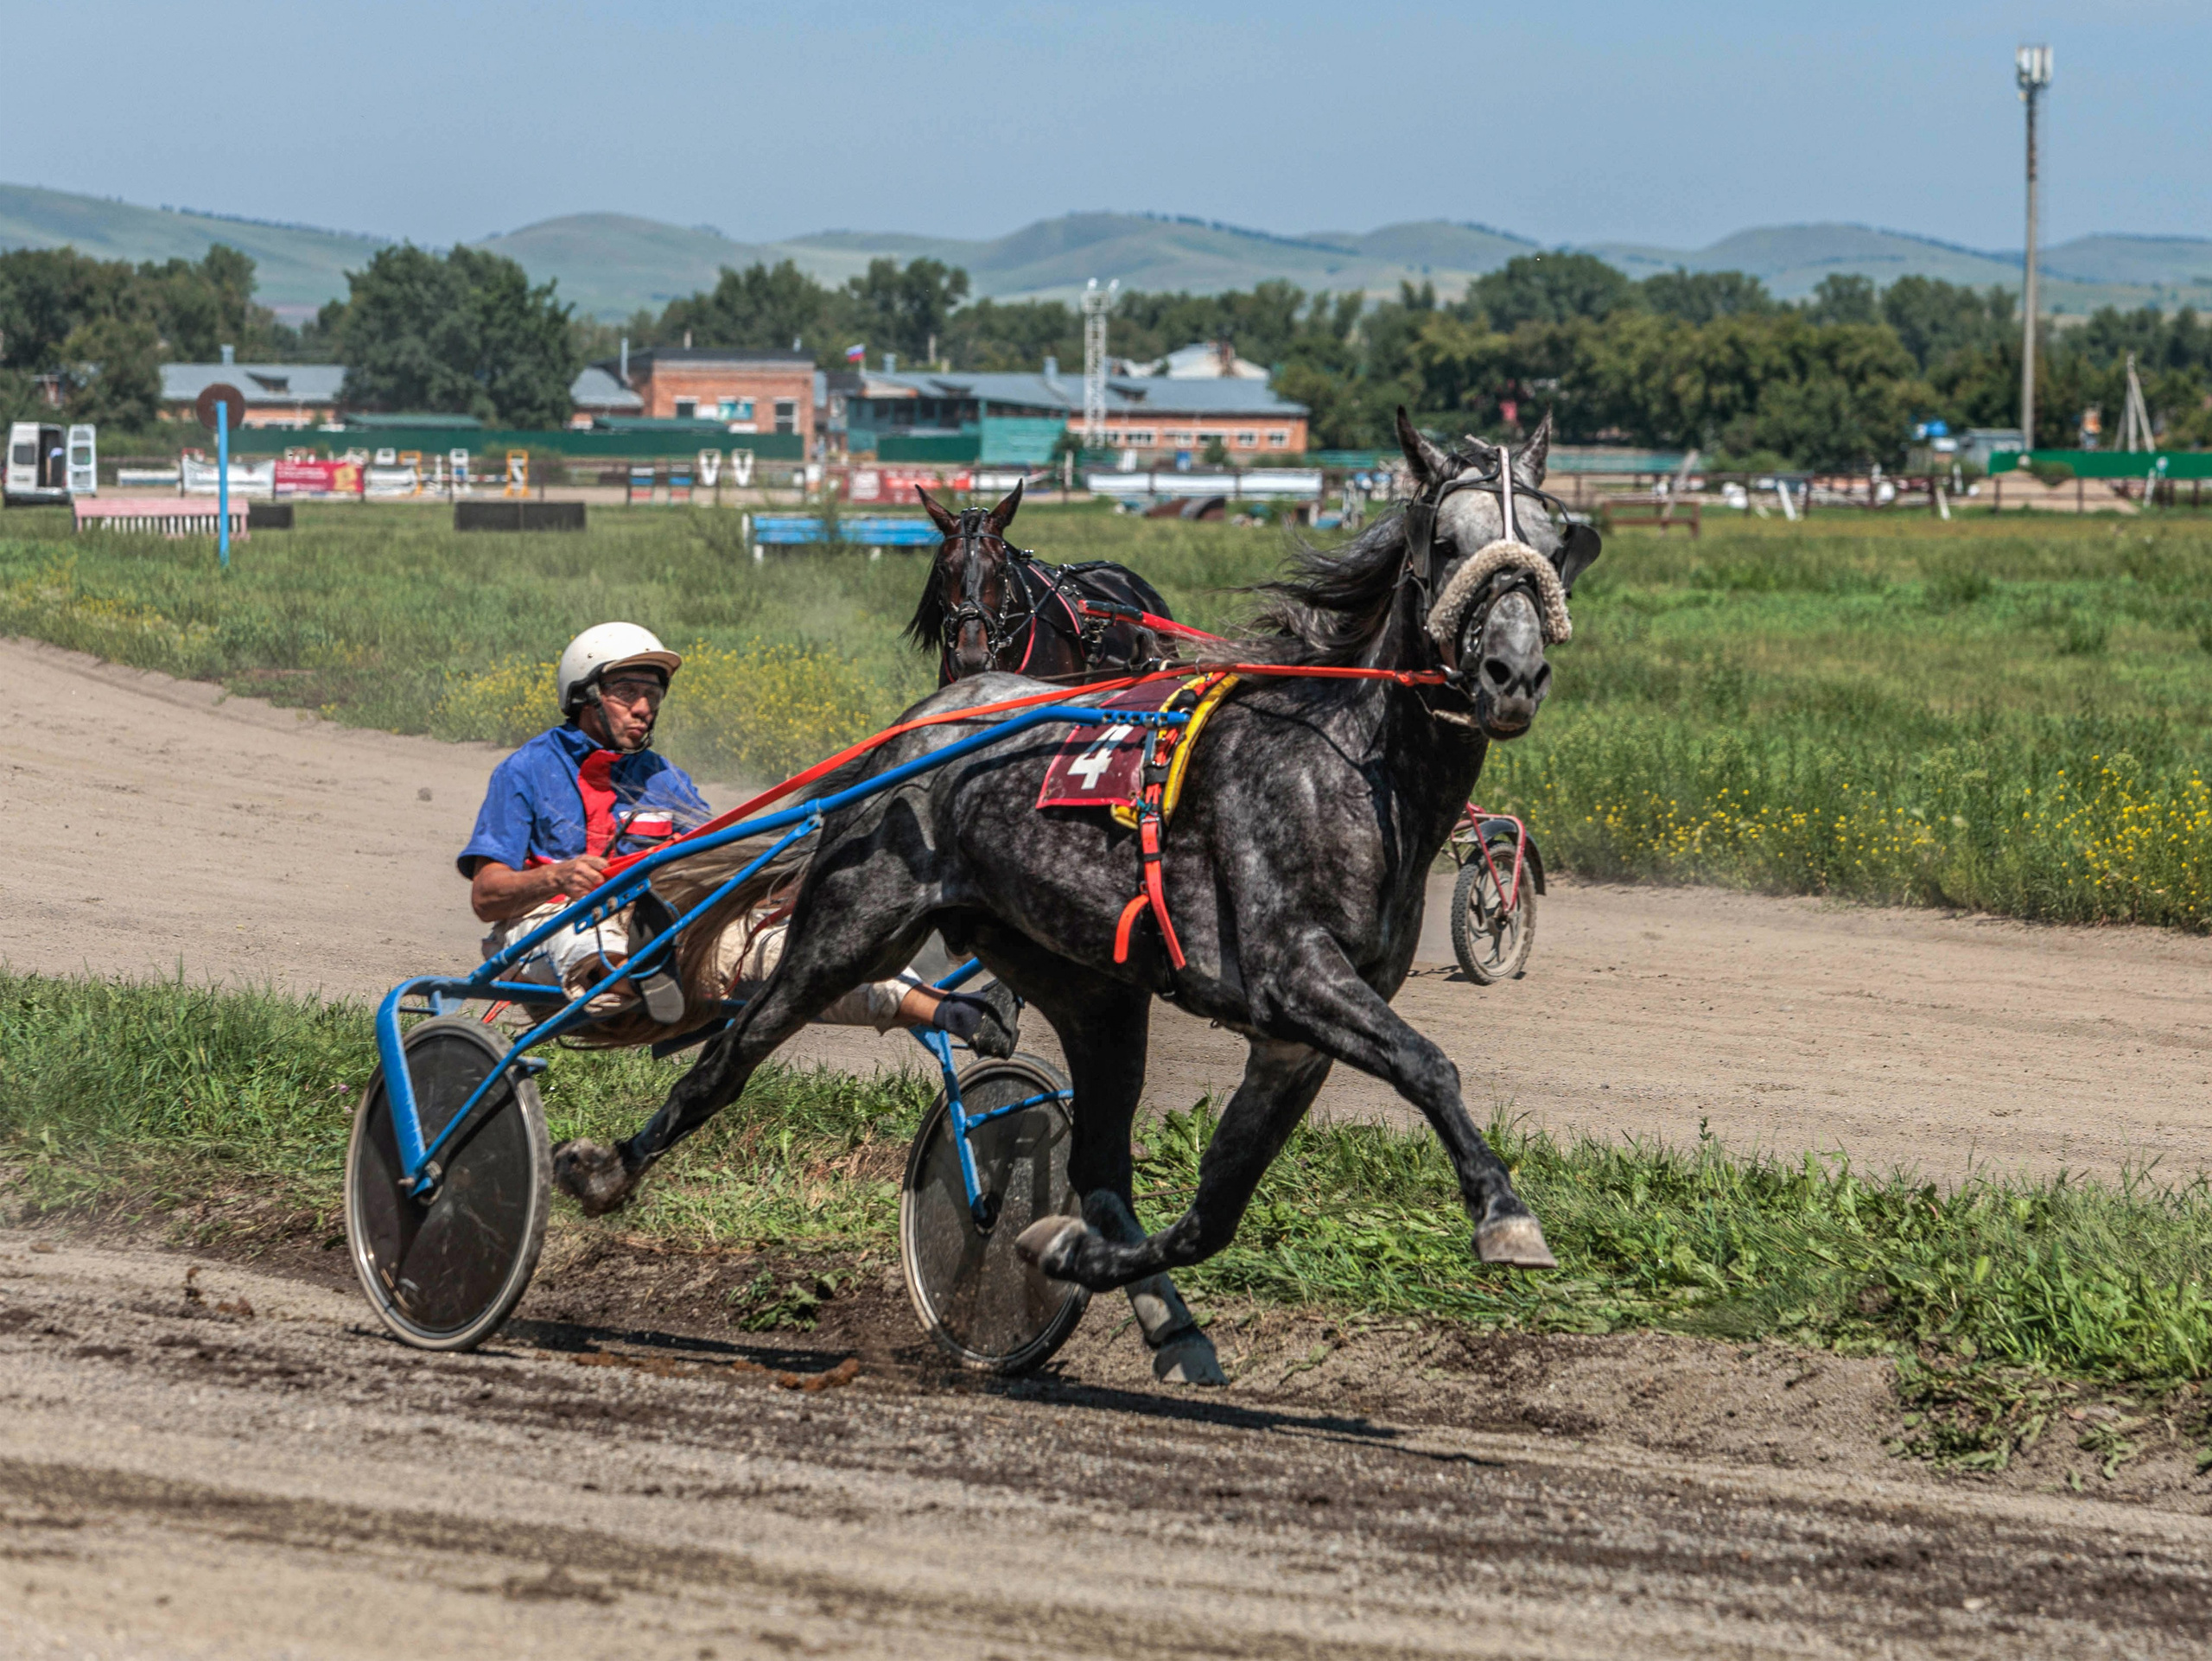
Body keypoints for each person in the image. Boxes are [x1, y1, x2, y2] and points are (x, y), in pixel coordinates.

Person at [458, 621, 1016, 1049]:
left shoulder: (663, 779)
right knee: (590, 943)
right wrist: (556, 878)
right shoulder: (526, 771)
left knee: (808, 956)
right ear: (584, 694)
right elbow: (486, 897)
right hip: (547, 928)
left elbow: (719, 862)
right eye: (627, 692)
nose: (645, 708)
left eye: (654, 694)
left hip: (661, 927)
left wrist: (790, 885)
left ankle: (956, 1013)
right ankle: (645, 972)